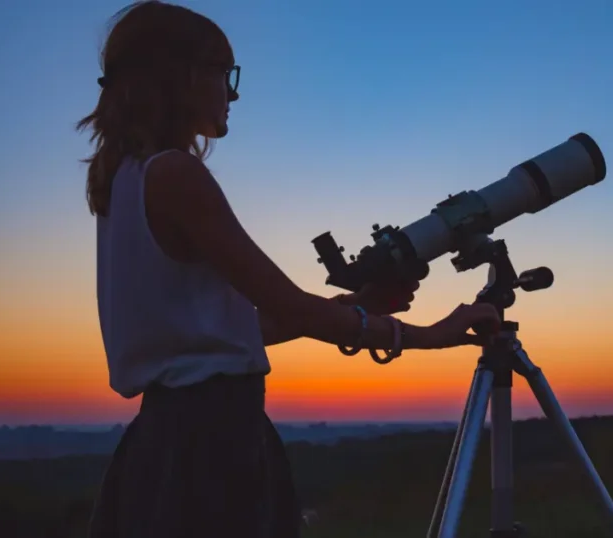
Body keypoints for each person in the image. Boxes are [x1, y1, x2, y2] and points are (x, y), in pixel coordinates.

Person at [77, 2, 501, 537]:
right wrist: (430, 335)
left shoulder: (123, 183)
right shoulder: (176, 176)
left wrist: (359, 307)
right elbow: (288, 305)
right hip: (215, 441)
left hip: (164, 440)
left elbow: (234, 333)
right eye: (223, 74)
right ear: (182, 76)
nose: (232, 93)